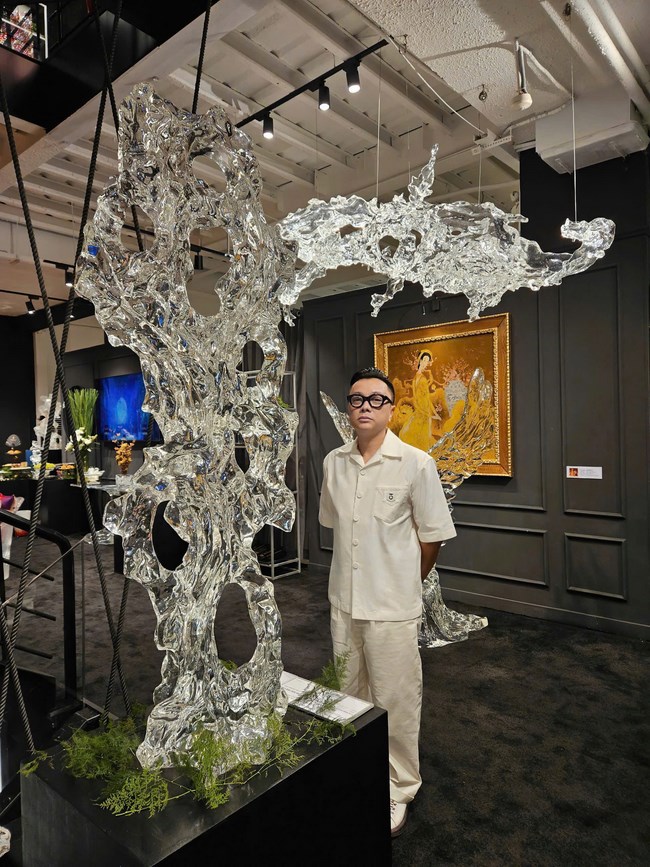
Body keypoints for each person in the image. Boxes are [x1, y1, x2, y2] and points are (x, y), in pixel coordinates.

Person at [319, 367, 456, 837]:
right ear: (348, 407)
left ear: (393, 410)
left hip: (393, 607)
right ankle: (357, 771)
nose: (365, 406)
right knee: (347, 694)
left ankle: (398, 787)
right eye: (356, 399)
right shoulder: (334, 462)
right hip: (344, 603)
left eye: (376, 399)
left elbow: (432, 538)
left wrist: (404, 582)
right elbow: (335, 526)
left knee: (394, 699)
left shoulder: (416, 463)